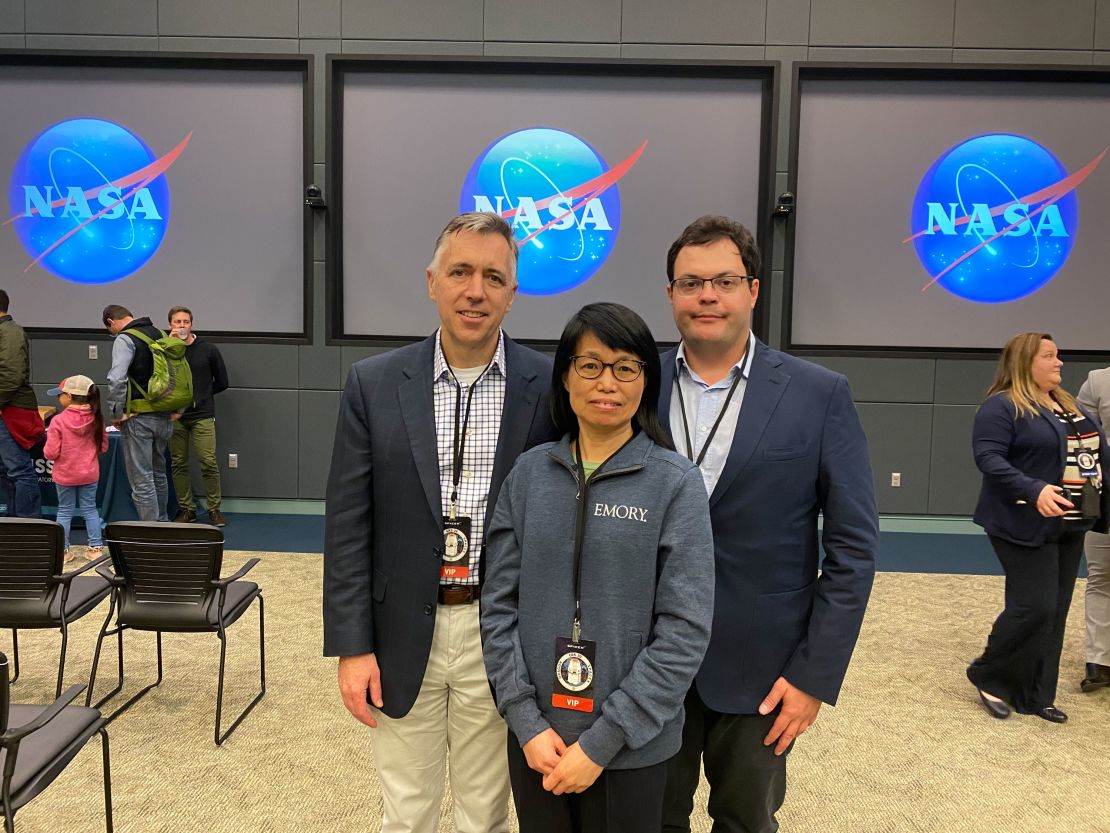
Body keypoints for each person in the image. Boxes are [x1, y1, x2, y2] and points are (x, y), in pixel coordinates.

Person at [323, 212, 559, 833]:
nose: (474, 291)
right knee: (407, 807)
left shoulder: (549, 386)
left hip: (502, 630)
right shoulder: (373, 384)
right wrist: (353, 646)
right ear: (432, 281)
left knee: (487, 809)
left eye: (492, 276)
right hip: (402, 628)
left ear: (513, 292)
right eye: (460, 272)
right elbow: (348, 523)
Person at [659, 216, 879, 833]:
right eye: (690, 282)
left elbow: (854, 548)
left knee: (747, 822)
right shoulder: (633, 383)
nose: (707, 295)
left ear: (753, 290)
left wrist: (813, 675)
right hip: (645, 663)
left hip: (763, 669)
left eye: (724, 281)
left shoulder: (818, 394)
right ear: (670, 294)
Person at [481, 302, 715, 833]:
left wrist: (603, 741)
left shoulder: (675, 484)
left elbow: (685, 630)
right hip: (537, 741)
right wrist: (525, 721)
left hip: (633, 747)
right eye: (590, 365)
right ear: (565, 376)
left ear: (645, 381)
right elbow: (497, 608)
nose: (606, 382)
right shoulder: (529, 475)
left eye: (625, 367)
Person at [968, 333, 1110, 722]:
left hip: (1071, 521)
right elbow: (989, 458)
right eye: (1049, 356)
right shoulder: (1001, 407)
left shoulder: (1066, 404)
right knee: (1034, 605)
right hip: (1020, 519)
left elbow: (1097, 451)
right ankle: (989, 674)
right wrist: (1034, 489)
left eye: (1058, 355)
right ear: (1024, 362)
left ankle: (1035, 694)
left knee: (1056, 609)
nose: (1059, 362)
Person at [102, 305, 174, 522]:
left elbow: (116, 378)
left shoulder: (125, 339)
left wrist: (116, 411)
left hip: (138, 417)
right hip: (164, 415)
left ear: (110, 322)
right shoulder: (161, 334)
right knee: (159, 473)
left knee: (141, 478)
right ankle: (163, 524)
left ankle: (151, 533)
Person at [167, 306, 229, 527]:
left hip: (202, 415)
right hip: (174, 417)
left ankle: (214, 509)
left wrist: (202, 396)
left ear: (192, 324)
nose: (181, 326)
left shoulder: (208, 349)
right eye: (177, 322)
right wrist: (171, 345)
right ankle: (187, 509)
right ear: (170, 325)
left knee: (208, 461)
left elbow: (222, 381)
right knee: (178, 463)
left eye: (185, 322)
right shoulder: (164, 348)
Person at [43, 376, 108, 563]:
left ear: (70, 396)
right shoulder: (97, 418)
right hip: (89, 473)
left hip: (65, 475)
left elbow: (50, 453)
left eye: (60, 394)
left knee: (64, 511)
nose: (58, 398)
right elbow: (103, 447)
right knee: (90, 510)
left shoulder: (58, 421)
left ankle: (63, 552)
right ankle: (95, 549)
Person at [1076, 367, 1110, 692]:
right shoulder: (1098, 380)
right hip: (1104, 497)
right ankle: (1098, 662)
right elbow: (1079, 436)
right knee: (1100, 577)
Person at [0, 289, 43, 518]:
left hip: (11, 411)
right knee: (8, 471)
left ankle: (29, 527)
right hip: (7, 409)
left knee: (18, 470)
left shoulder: (10, 332)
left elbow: (12, 374)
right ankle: (14, 524)